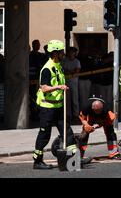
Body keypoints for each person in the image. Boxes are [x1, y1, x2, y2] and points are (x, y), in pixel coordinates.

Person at [33, 40, 78, 170]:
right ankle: (37, 161)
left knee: (67, 132)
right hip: (47, 108)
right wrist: (59, 87)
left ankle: (74, 158)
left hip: (58, 106)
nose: (63, 53)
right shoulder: (47, 68)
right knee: (44, 135)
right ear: (54, 53)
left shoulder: (59, 65)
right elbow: (44, 88)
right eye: (61, 52)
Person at [62, 47, 81, 122]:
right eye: (70, 52)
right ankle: (68, 114)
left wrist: (71, 71)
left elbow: (77, 70)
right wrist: (70, 71)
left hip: (74, 82)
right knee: (67, 99)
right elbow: (63, 70)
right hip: (66, 82)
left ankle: (76, 115)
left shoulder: (77, 61)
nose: (71, 53)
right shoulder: (64, 61)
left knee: (75, 99)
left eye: (72, 52)